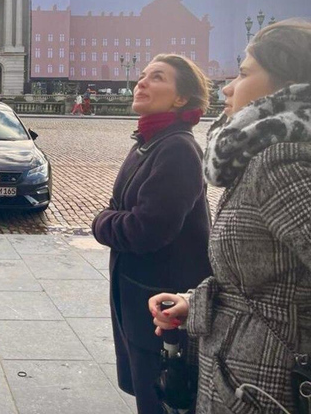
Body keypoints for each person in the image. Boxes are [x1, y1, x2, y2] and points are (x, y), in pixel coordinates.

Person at [150, 20, 311, 413]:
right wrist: (195, 304)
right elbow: (269, 281)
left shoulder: (283, 162)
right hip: (243, 372)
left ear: (286, 86)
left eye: (243, 73)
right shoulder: (263, 157)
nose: (227, 87)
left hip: (266, 385)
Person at [92, 54, 213, 414]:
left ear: (181, 99)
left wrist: (101, 221)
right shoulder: (149, 142)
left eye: (156, 77)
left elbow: (146, 230)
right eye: (142, 75)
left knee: (160, 400)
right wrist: (115, 215)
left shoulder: (177, 148)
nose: (140, 82)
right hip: (139, 296)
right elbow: (123, 208)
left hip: (162, 303)